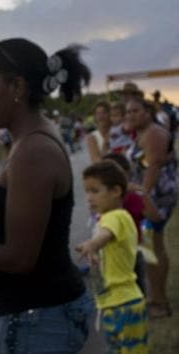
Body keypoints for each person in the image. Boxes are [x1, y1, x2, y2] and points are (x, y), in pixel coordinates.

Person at [0, 37, 93, 353]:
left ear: (17, 87)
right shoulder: (28, 140)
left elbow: (19, 257)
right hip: (39, 316)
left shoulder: (33, 151)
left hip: (39, 319)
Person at [76, 161, 148, 353]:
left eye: (95, 191)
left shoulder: (116, 216)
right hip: (112, 304)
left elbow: (105, 235)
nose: (89, 198)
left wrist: (92, 245)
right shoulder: (107, 217)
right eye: (87, 191)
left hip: (125, 304)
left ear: (116, 191)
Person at [125, 97, 177, 318]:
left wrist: (141, 199)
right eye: (128, 112)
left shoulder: (154, 134)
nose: (130, 116)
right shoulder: (145, 133)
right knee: (150, 248)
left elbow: (153, 169)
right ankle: (155, 297)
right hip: (149, 197)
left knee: (152, 249)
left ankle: (159, 301)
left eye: (135, 111)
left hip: (155, 198)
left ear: (148, 112)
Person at [102, 152, 161, 295]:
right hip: (109, 253)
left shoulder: (133, 197)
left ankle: (139, 311)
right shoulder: (102, 197)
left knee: (136, 288)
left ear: (127, 174)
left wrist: (143, 194)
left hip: (131, 252)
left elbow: (155, 217)